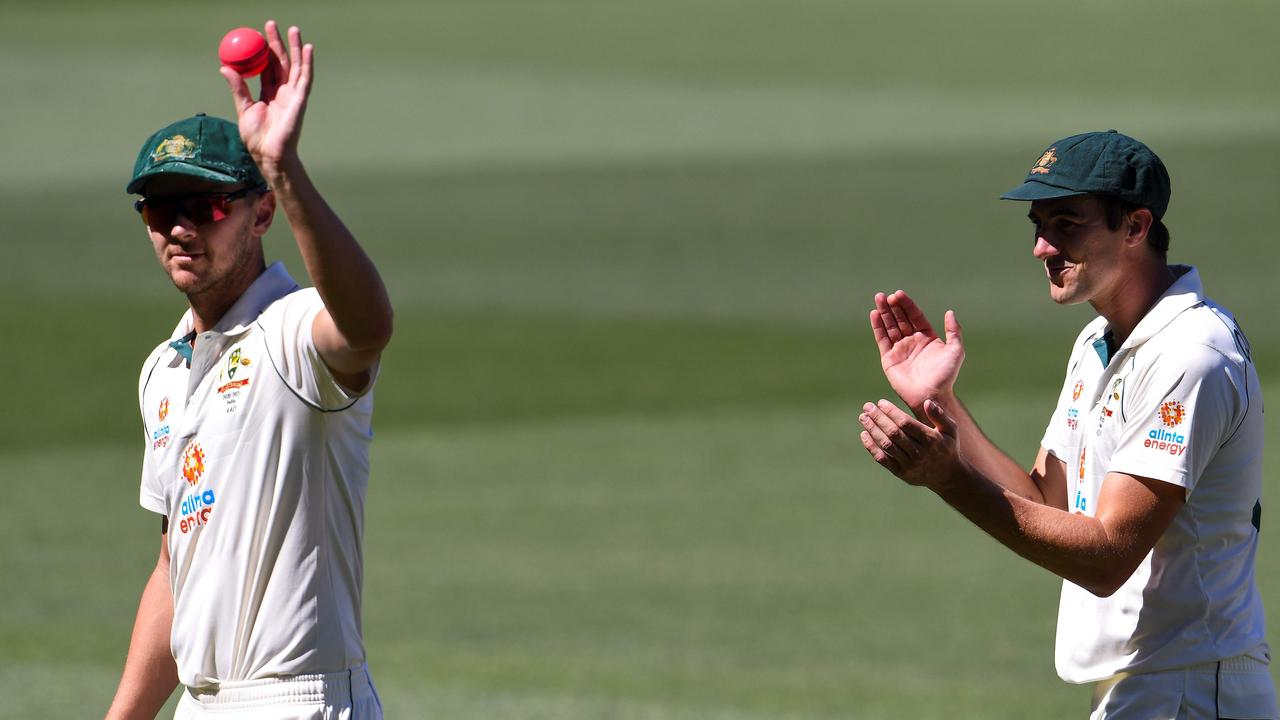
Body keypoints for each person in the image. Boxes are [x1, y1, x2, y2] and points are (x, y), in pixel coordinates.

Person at [857, 130, 1274, 718]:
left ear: (1135, 227)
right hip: (1150, 688)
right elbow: (1044, 499)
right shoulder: (1098, 341)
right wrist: (942, 403)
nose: (1042, 247)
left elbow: (1107, 557)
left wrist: (949, 479)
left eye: (1067, 224)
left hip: (1190, 690)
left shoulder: (1190, 354)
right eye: (1038, 225)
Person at [104, 21, 392, 720]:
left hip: (299, 702)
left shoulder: (292, 333)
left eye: (203, 207)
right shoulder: (162, 373)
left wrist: (284, 168)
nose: (179, 229)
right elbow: (179, 569)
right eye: (160, 210)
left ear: (260, 212)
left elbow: (367, 327)